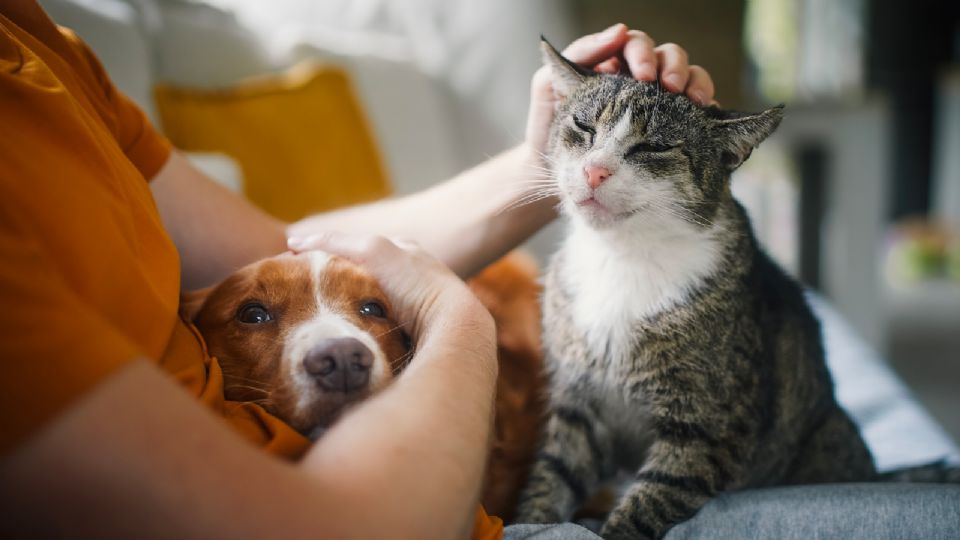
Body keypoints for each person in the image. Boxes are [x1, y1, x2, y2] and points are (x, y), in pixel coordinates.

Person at [0, 1, 715, 538]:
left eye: (375, 316)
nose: (342, 350)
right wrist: (454, 318)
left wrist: (541, 169)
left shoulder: (44, 47)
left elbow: (291, 251)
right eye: (254, 316)